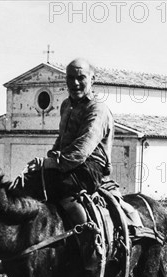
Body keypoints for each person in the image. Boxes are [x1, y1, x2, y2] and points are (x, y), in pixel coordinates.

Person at [27, 57, 114, 226]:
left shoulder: (97, 109)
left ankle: (89, 239)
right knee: (29, 183)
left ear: (92, 80)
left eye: (81, 78)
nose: (75, 83)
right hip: (67, 164)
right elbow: (62, 139)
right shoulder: (66, 105)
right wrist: (50, 157)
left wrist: (49, 163)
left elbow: (81, 150)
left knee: (60, 187)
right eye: (70, 77)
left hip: (90, 168)